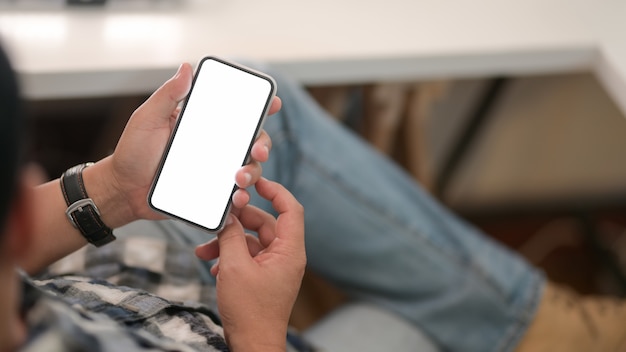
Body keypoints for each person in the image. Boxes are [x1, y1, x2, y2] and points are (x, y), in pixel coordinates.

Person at [0, 41, 625, 352]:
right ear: (20, 219)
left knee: (274, 110)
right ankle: (540, 321)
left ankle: (530, 316)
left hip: (115, 281)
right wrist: (261, 331)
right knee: (426, 323)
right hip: (233, 334)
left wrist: (114, 190)